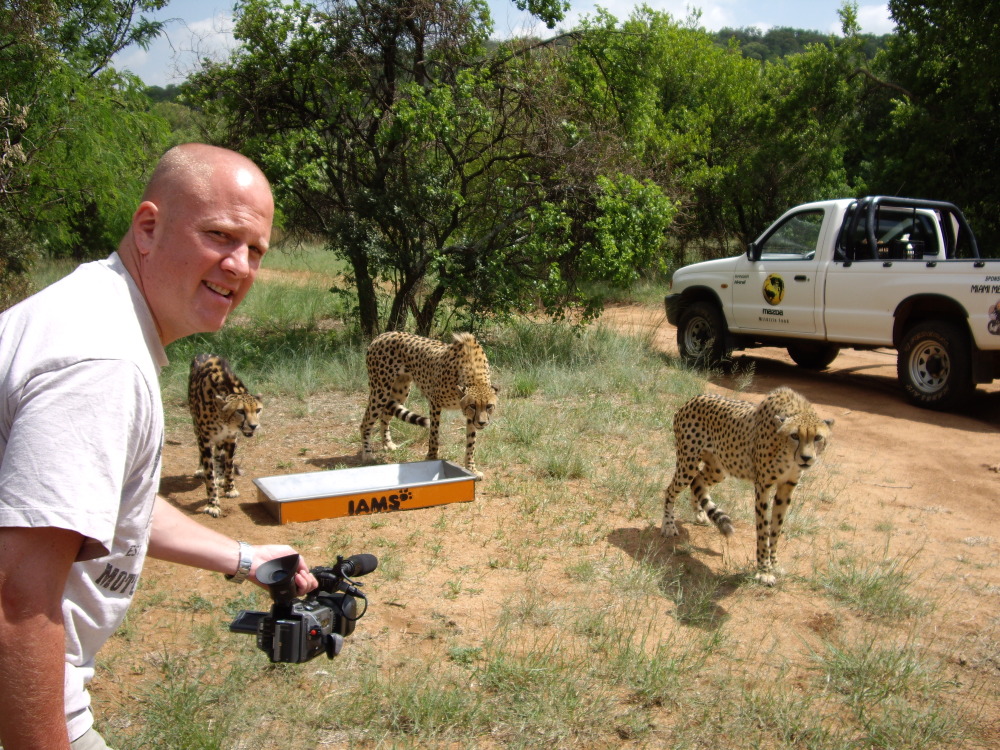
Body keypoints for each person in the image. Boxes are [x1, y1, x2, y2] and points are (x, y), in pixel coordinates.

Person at [0, 143, 317, 750]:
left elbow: (109, 504)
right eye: (219, 235)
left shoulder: (93, 310)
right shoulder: (102, 363)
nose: (239, 266)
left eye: (255, 250)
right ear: (148, 228)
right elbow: (17, 603)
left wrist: (245, 557)